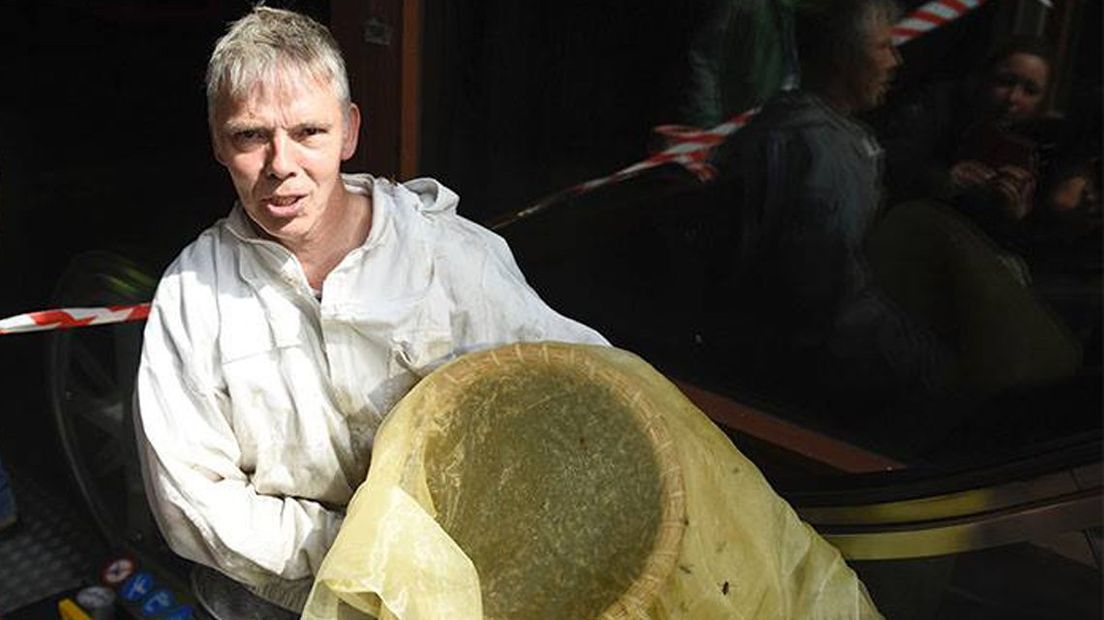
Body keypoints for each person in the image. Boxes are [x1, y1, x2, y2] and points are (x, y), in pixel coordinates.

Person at [133, 6, 606, 613]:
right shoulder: (192, 296)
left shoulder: (447, 256)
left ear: (350, 132)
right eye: (251, 135)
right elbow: (193, 501)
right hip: (283, 603)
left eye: (309, 132)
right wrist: (380, 556)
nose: (281, 165)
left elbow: (582, 387)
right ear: (218, 144)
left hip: (469, 588)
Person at [709, 0, 956, 452]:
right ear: (844, 56)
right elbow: (824, 298)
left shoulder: (793, 124)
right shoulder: (820, 149)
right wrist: (924, 357)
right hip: (791, 386)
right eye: (884, 47)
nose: (896, 60)